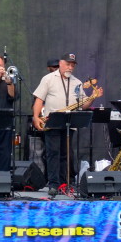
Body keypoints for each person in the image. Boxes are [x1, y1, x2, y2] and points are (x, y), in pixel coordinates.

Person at [32, 53, 100, 197]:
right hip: (52, 121)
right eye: (68, 64)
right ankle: (53, 184)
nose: (70, 67)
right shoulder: (48, 79)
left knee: (65, 154)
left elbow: (84, 105)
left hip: (70, 122)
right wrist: (36, 117)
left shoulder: (77, 82)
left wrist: (93, 97)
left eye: (72, 65)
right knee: (53, 153)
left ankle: (63, 184)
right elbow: (39, 99)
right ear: (61, 63)